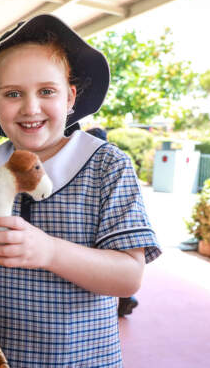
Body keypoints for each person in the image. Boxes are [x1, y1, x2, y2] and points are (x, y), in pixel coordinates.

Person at [0, 14, 161, 367]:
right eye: (13, 94)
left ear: (71, 97)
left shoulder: (107, 166)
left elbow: (128, 276)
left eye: (47, 91)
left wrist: (49, 252)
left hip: (87, 360)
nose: (31, 107)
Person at [85, 127, 140, 317]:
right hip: (119, 221)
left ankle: (124, 297)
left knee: (105, 266)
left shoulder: (108, 162)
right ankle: (126, 298)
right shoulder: (114, 159)